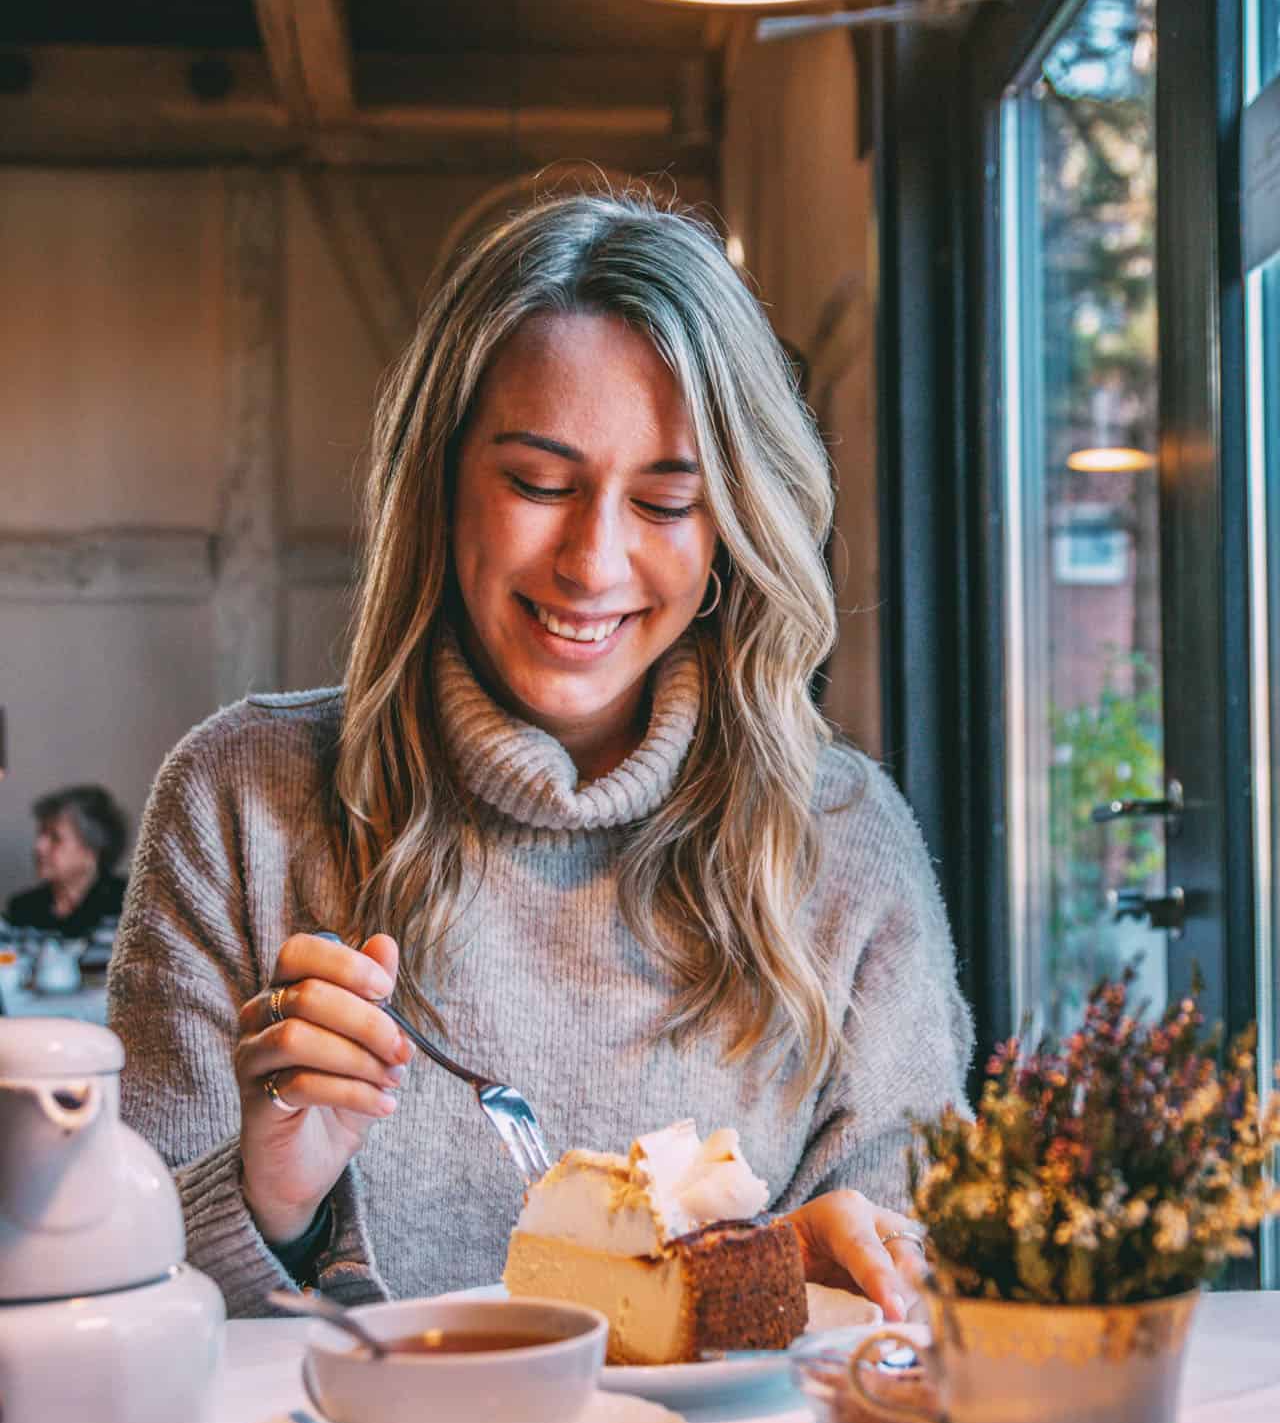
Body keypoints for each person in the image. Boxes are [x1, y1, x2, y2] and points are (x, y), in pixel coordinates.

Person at [110, 190, 973, 1320]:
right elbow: (110, 1298)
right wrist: (265, 1195)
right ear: (440, 483)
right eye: (538, 483)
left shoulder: (840, 842)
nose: (591, 562)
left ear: (729, 534)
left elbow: (907, 1297)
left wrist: (811, 1269)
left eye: (666, 500)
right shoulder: (245, 799)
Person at [6, 784, 129, 941]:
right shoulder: (23, 909)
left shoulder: (128, 904)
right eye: (41, 834)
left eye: (55, 838)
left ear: (91, 850)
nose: (39, 847)